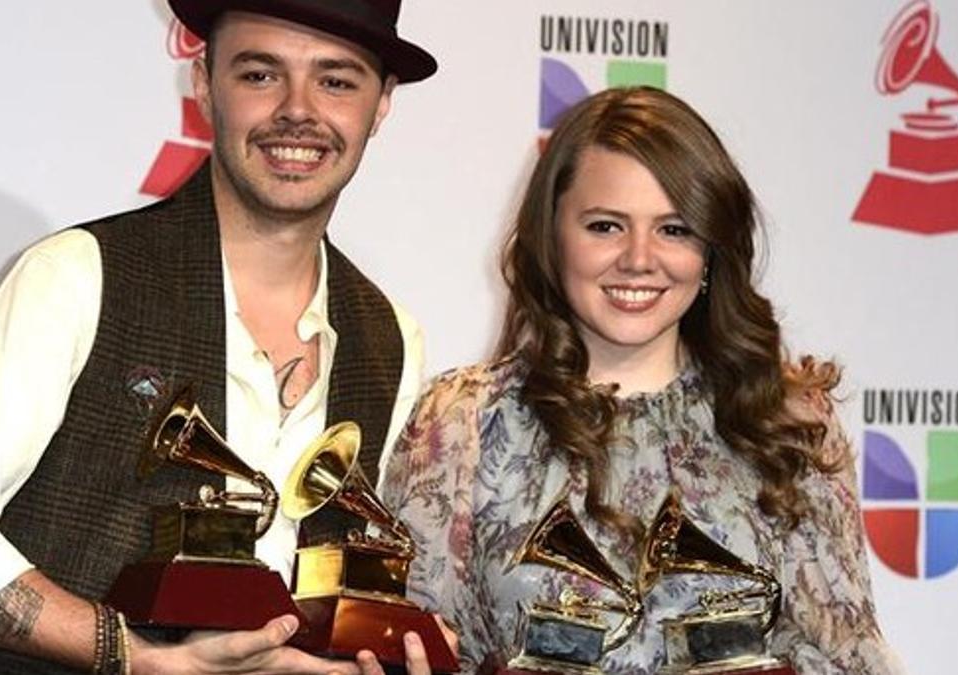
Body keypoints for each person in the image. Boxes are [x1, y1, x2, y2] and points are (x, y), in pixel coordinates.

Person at [0, 1, 443, 673]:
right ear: (203, 84)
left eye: (336, 80)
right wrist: (131, 654)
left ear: (382, 104)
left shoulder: (392, 335)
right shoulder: (78, 275)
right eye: (259, 74)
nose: (297, 110)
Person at [381, 87, 905, 674]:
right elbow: (420, 646)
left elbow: (845, 655)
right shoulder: (463, 420)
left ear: (711, 248)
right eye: (605, 226)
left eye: (674, 229)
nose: (638, 258)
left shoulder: (787, 420)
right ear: (552, 237)